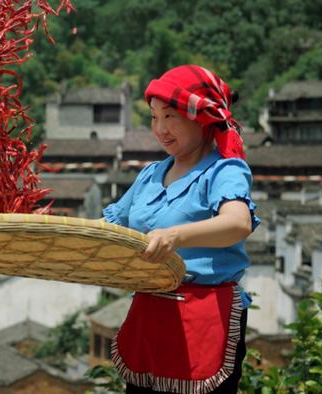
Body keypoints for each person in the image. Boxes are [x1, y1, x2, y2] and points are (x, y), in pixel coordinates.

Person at [102, 64, 261, 393]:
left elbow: (237, 222)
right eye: (153, 117)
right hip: (151, 312)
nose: (160, 129)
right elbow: (108, 226)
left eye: (170, 116)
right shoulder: (150, 174)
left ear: (201, 117)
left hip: (205, 317)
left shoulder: (223, 170)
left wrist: (175, 237)